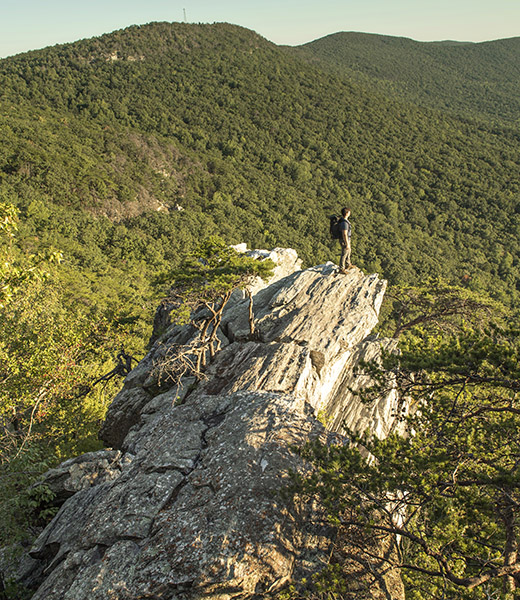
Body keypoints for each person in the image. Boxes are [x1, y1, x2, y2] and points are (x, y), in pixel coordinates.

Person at [338, 207, 352, 273]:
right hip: (344, 240)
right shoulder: (344, 223)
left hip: (347, 239)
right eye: (349, 212)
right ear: (346, 213)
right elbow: (344, 234)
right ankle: (342, 268)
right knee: (344, 253)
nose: (350, 213)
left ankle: (348, 264)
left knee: (348, 252)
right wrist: (347, 243)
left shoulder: (344, 221)